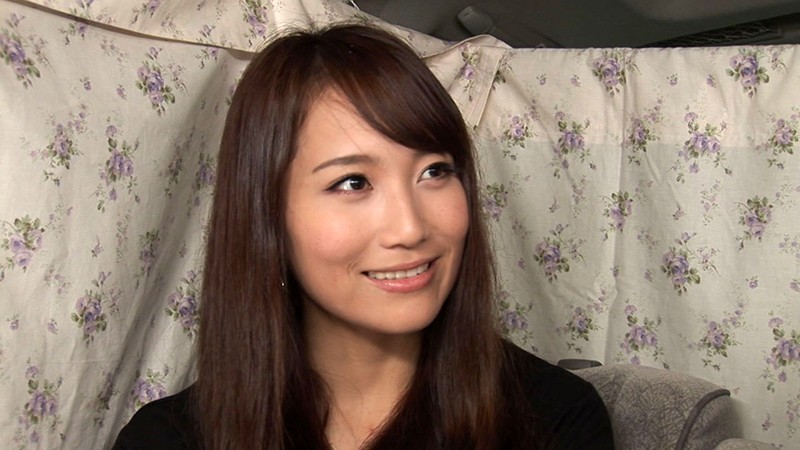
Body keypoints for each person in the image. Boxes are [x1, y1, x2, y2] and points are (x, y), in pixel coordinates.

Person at [112, 24, 614, 450]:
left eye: (435, 171)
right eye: (353, 182)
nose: (410, 228)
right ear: (266, 215)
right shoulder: (166, 439)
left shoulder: (553, 419)